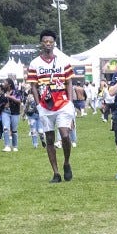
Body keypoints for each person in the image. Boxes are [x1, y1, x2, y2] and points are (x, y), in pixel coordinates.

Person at [27, 31, 78, 183]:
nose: (48, 44)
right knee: (49, 138)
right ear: (41, 44)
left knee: (64, 134)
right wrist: (38, 104)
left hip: (62, 102)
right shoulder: (35, 63)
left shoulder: (63, 61)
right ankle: (56, 173)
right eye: (45, 41)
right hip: (45, 105)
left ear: (54, 43)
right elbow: (34, 86)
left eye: (50, 41)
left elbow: (69, 82)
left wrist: (69, 101)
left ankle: (67, 162)